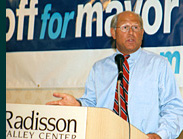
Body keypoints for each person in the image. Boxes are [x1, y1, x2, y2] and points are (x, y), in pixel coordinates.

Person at [46, 11, 183, 139]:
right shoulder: (99, 68)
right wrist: (79, 104)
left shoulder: (159, 65)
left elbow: (174, 108)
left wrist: (160, 135)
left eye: (136, 27)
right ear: (113, 32)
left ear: (142, 33)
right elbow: (92, 104)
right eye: (125, 27)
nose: (131, 32)